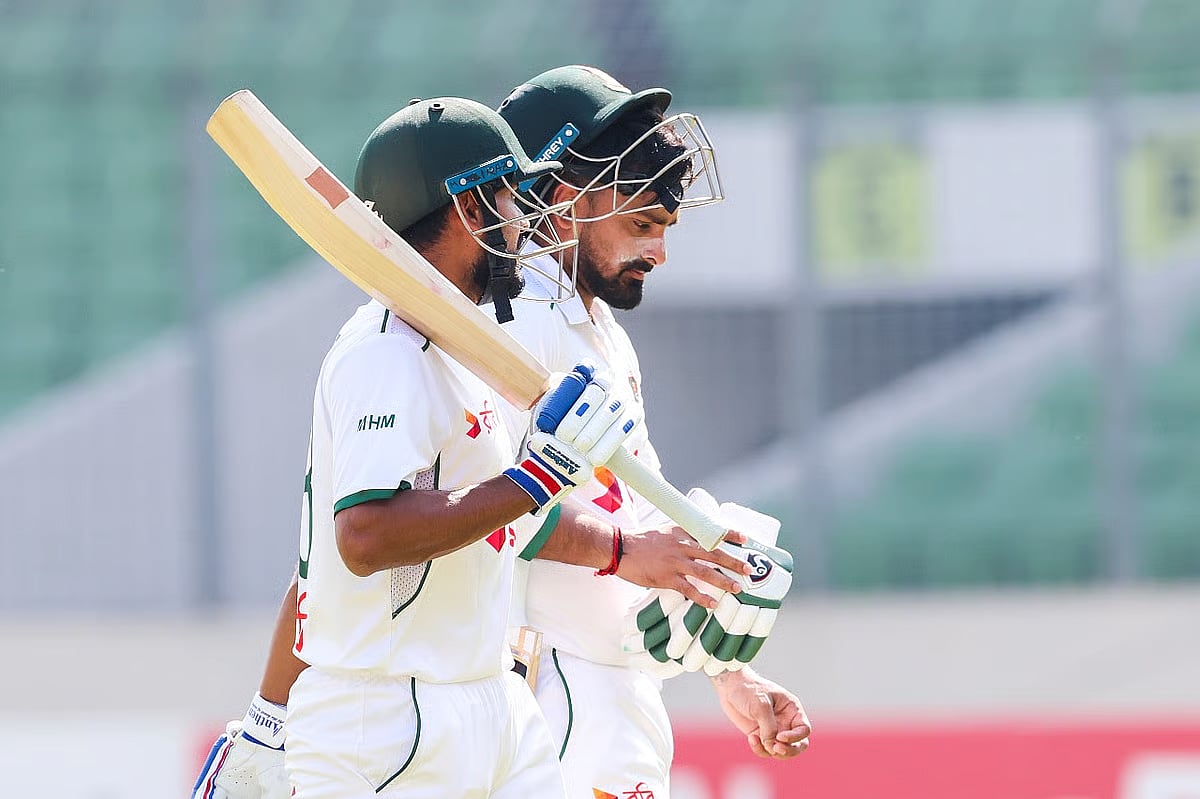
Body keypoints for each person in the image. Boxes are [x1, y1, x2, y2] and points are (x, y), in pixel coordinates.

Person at [193, 94, 754, 799]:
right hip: (385, 718)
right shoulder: (385, 355)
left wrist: (593, 523)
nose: (526, 225)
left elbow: (494, 518)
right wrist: (539, 474)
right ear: (469, 210)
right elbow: (362, 536)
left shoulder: (465, 350)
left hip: (487, 695)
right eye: (513, 202)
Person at [493, 65, 811, 799]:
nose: (659, 252)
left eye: (664, 228)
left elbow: (637, 508)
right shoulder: (509, 327)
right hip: (547, 695)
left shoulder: (599, 331)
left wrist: (727, 671)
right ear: (567, 201)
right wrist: (630, 553)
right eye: (640, 224)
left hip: (620, 692)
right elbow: (488, 507)